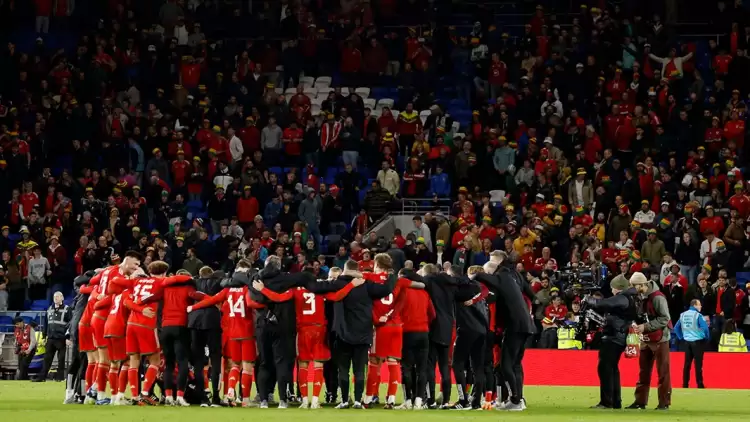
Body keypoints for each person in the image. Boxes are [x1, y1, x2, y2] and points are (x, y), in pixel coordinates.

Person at [330, 258, 395, 409]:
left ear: (345, 269)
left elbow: (320, 289)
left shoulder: (338, 284)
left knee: (343, 370)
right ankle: (358, 401)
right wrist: (392, 275)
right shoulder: (367, 285)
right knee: (359, 370)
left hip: (343, 333)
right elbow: (386, 289)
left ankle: (344, 401)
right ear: (358, 269)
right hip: (363, 334)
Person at [475, 253, 536, 412]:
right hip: (526, 325)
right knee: (515, 364)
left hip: (514, 325)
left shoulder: (501, 277)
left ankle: (515, 400)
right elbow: (532, 295)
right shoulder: (515, 277)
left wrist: (473, 276)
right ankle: (518, 398)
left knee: (505, 364)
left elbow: (482, 277)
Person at [585, 276, 638, 409]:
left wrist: (589, 299)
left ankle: (607, 402)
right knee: (612, 368)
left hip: (615, 337)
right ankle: (615, 401)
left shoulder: (622, 297)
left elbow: (603, 303)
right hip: (618, 336)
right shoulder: (628, 297)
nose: (611, 290)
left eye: (612, 287)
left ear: (618, 287)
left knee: (605, 368)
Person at [629, 271, 672, 411]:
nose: (632, 288)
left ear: (642, 285)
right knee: (643, 372)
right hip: (645, 338)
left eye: (634, 286)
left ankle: (664, 403)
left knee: (663, 372)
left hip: (661, 339)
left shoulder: (658, 297)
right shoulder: (639, 296)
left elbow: (665, 318)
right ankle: (640, 401)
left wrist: (645, 326)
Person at [188, 266, 225, 407]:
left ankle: (202, 397)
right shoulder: (218, 282)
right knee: (215, 359)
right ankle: (215, 397)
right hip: (212, 320)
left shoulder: (194, 282)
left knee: (198, 362)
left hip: (195, 321)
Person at [34, 291, 72, 382]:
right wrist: (44, 337)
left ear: (62, 298)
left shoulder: (67, 309)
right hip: (51, 338)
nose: (56, 298)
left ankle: (60, 377)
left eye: (58, 296)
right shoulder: (49, 309)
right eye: (55, 296)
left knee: (61, 359)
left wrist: (68, 337)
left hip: (61, 338)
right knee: (47, 359)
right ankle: (42, 377)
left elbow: (71, 324)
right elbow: (46, 324)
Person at [674, 299, 709, 388]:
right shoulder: (698, 315)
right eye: (699, 304)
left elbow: (676, 328)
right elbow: (705, 328)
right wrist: (706, 337)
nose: (701, 306)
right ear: (695, 305)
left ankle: (685, 384)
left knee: (687, 364)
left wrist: (681, 337)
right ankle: (700, 384)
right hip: (698, 342)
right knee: (698, 364)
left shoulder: (683, 315)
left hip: (687, 342)